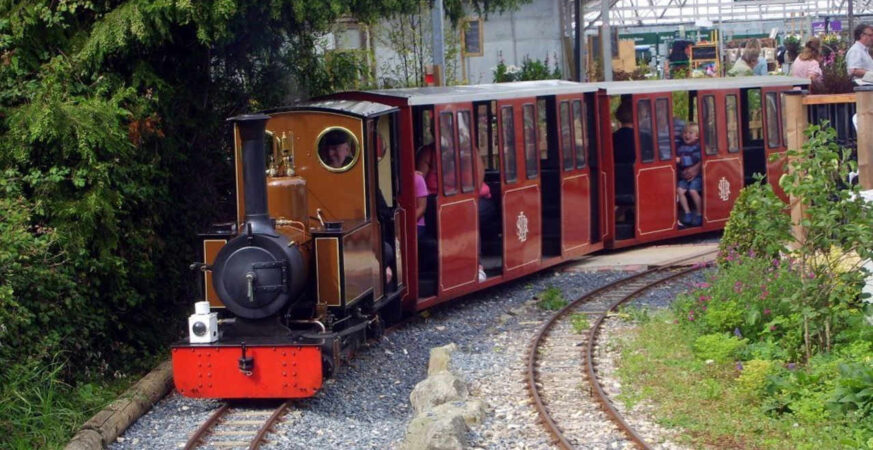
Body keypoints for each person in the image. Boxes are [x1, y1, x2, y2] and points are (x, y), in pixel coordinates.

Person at [675, 122, 702, 227]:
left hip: (696, 176)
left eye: (690, 133)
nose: (687, 135)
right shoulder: (681, 148)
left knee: (693, 191)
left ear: (697, 136)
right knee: (679, 191)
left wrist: (680, 160)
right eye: (685, 133)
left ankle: (699, 213)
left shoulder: (697, 147)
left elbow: (694, 158)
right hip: (684, 176)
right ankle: (687, 213)